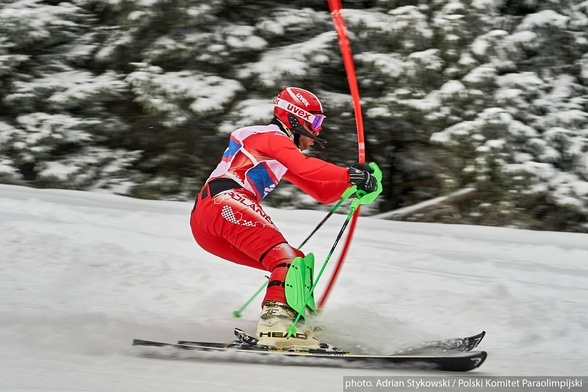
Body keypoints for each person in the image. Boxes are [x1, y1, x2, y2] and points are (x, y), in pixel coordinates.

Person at [190, 86, 380, 349]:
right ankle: (275, 323)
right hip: (225, 201)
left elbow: (321, 191)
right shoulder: (269, 136)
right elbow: (305, 167)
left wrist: (355, 185)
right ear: (295, 117)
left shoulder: (278, 152)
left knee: (296, 262)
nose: (317, 131)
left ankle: (298, 324)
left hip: (209, 222)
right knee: (286, 259)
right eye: (315, 122)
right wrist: (349, 174)